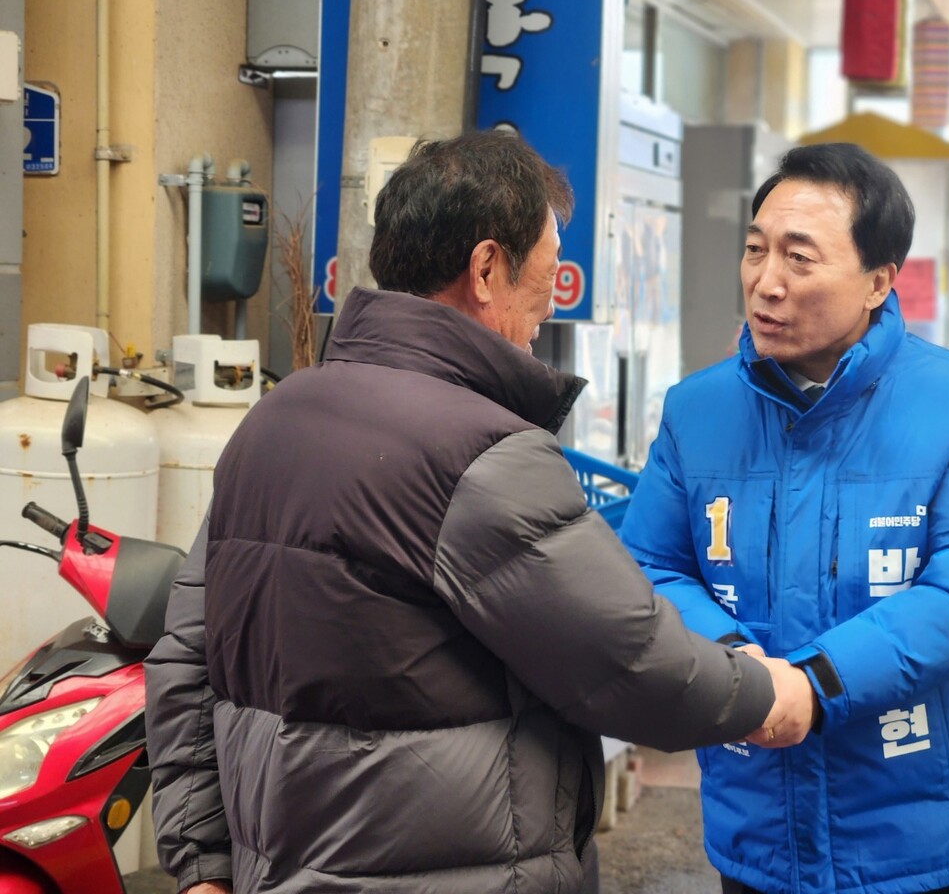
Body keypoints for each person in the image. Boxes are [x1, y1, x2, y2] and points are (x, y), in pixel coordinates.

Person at [144, 130, 811, 894]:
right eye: (550, 273)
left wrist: (203, 866)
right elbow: (630, 663)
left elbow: (186, 657)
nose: (547, 306)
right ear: (488, 269)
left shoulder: (274, 420)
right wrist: (767, 694)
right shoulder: (480, 455)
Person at [619, 142, 949, 894]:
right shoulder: (697, 409)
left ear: (879, 280)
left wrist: (816, 685)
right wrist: (738, 669)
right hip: (755, 818)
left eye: (800, 258)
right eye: (755, 251)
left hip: (916, 833)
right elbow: (649, 565)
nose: (766, 283)